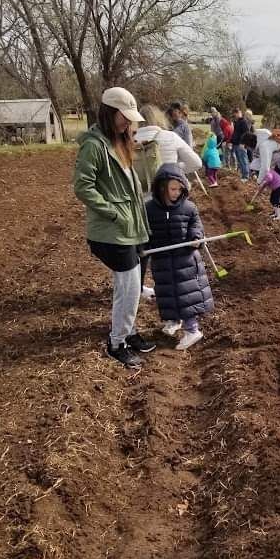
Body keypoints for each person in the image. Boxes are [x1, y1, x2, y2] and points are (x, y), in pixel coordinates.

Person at [73, 87, 156, 369]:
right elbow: (83, 187)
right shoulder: (94, 146)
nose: (128, 123)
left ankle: (129, 331)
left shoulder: (119, 141)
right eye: (124, 117)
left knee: (134, 283)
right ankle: (116, 343)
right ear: (110, 113)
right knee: (129, 287)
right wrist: (113, 213)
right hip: (112, 230)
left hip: (131, 226)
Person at [135, 104, 203, 300]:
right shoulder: (170, 137)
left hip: (142, 201)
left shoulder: (131, 140)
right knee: (175, 245)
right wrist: (175, 167)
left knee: (143, 247)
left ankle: (137, 287)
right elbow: (196, 163)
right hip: (170, 201)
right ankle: (180, 286)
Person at [145, 163, 214, 350]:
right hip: (161, 259)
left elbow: (196, 225)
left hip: (185, 259)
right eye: (173, 189)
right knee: (167, 292)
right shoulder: (149, 209)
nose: (176, 192)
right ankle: (173, 321)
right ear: (162, 187)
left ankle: (193, 330)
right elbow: (145, 232)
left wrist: (196, 238)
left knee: (186, 294)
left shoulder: (189, 207)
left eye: (179, 189)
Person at [230, 107, 251, 181]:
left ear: (239, 113)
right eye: (234, 114)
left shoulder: (243, 122)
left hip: (241, 145)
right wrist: (231, 141)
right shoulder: (237, 122)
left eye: (236, 113)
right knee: (240, 160)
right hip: (236, 144)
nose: (235, 115)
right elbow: (235, 133)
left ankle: (246, 176)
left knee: (243, 160)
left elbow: (247, 133)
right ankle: (243, 175)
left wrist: (243, 143)